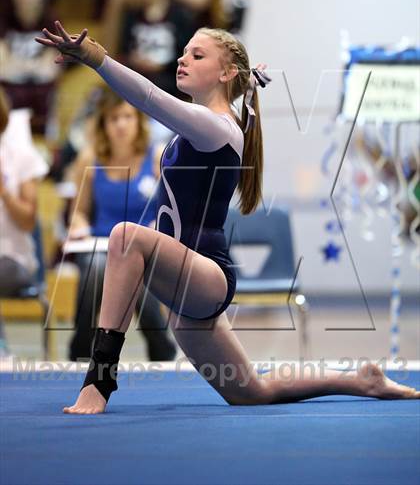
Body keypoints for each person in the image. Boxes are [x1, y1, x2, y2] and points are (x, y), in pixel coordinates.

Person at [35, 21, 420, 414]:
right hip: (185, 283)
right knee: (251, 391)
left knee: (124, 236)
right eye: (184, 52)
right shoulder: (198, 128)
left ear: (225, 73)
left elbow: (149, 97)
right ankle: (361, 379)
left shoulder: (218, 128)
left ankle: (99, 381)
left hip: (207, 277)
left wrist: (95, 57)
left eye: (197, 55)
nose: (183, 59)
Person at [67, 86, 176, 362]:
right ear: (104, 124)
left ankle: (160, 348)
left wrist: (156, 224)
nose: (121, 125)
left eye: (127, 117)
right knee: (97, 267)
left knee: (134, 268)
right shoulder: (89, 159)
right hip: (102, 244)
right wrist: (79, 226)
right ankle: (82, 345)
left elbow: (171, 210)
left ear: (138, 122)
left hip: (143, 244)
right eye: (114, 118)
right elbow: (78, 213)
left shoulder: (156, 157)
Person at [0, 87, 49, 356]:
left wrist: (5, 192)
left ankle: (1, 348)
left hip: (15, 261)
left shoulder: (19, 155)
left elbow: (29, 222)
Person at [0, 0, 60, 136]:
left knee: (47, 94)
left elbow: (49, 71)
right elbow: (2, 70)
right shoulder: (4, 21)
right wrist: (33, 67)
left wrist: (16, 65)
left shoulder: (52, 22)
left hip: (43, 96)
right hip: (10, 95)